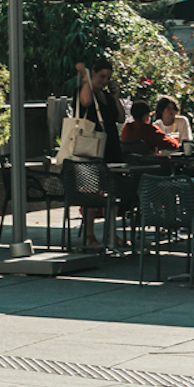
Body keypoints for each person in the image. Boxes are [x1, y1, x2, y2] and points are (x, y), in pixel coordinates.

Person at [73, 58, 123, 246]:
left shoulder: (106, 96)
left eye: (108, 77)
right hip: (92, 148)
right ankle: (89, 235)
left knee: (112, 191)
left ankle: (111, 232)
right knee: (92, 192)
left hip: (110, 147)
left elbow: (120, 117)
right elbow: (85, 102)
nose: (104, 81)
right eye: (101, 76)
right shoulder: (85, 91)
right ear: (93, 73)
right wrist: (86, 79)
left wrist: (115, 95)